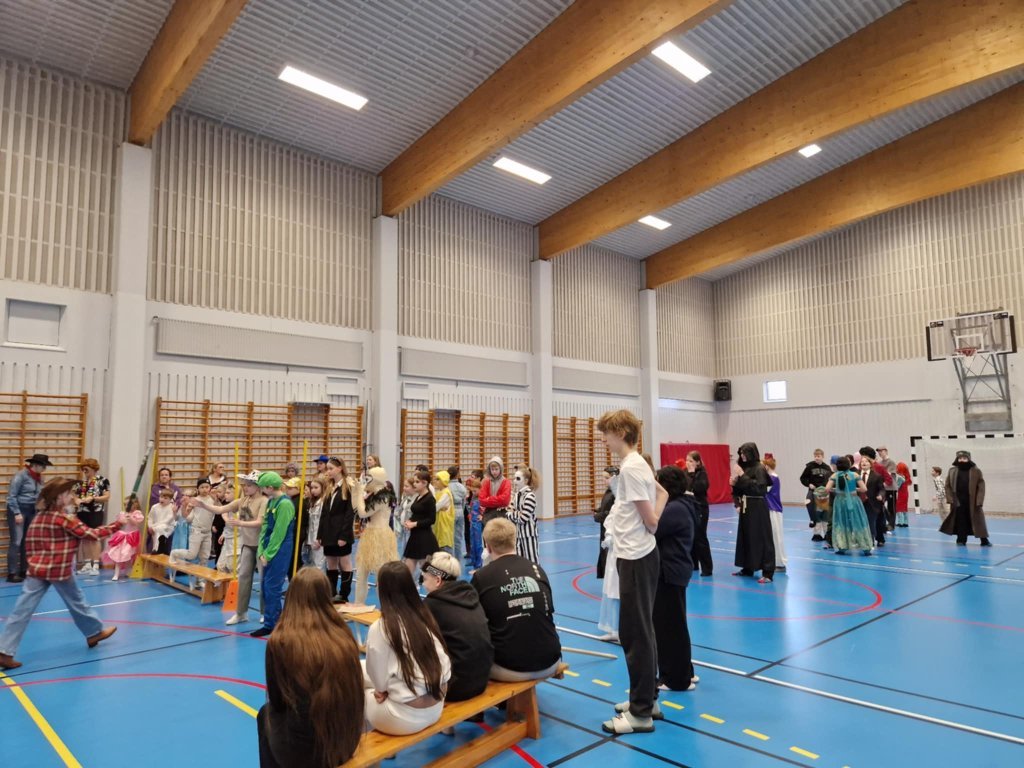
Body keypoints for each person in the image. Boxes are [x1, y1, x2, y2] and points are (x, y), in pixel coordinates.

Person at [0, 477, 123, 669]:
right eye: (68, 493)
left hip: (38, 570)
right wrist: (118, 524)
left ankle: (5, 650)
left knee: (22, 610)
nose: (71, 496)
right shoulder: (65, 519)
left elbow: (30, 544)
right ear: (59, 498)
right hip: (59, 570)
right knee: (78, 602)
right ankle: (94, 632)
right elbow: (92, 535)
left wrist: (34, 563)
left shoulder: (39, 517)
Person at [596, 410, 666, 735]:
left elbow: (651, 521)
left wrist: (650, 526)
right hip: (634, 556)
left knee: (636, 636)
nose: (603, 439)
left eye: (606, 433)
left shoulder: (633, 468)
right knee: (641, 631)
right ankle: (648, 699)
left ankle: (640, 714)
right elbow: (663, 493)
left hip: (637, 558)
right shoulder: (635, 465)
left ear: (621, 433)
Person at [258, 567, 363, 768]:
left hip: (309, 755)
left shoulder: (281, 641)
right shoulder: (344, 635)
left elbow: (277, 699)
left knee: (265, 714)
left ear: (292, 597)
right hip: (346, 741)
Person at [363, 561, 451, 735]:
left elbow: (379, 681)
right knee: (365, 671)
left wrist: (382, 691)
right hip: (436, 706)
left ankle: (363, 749)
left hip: (404, 717)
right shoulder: (425, 616)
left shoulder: (381, 628)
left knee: (356, 693)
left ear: (382, 590)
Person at [471, 518, 561, 681]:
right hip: (551, 659)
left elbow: (474, 624)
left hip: (509, 667)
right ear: (515, 540)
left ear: (488, 547)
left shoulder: (482, 577)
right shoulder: (537, 569)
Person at [192, 471, 267, 625]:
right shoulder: (242, 501)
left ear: (258, 487)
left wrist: (241, 523)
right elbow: (221, 510)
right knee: (243, 578)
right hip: (247, 545)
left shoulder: (264, 501)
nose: (245, 487)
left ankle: (265, 612)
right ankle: (241, 613)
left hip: (261, 546)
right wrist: (203, 505)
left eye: (249, 485)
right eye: (245, 485)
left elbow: (260, 522)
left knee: (263, 580)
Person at [422, 551, 492, 701]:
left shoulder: (431, 605)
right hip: (483, 678)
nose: (423, 584)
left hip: (456, 686)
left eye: (425, 579)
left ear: (438, 580)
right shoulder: (470, 595)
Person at [652, 466, 696, 692]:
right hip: (674, 571)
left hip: (670, 572)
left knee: (669, 627)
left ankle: (676, 679)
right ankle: (684, 672)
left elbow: (652, 528)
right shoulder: (681, 505)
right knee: (675, 625)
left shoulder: (675, 509)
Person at [252, 472, 297, 637]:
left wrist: (269, 554)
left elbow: (279, 532)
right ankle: (275, 621)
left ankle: (272, 624)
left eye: (262, 487)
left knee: (272, 587)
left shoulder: (285, 504)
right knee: (266, 587)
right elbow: (265, 526)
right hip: (268, 548)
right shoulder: (271, 501)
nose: (261, 490)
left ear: (270, 487)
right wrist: (261, 550)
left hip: (280, 549)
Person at [317, 457, 363, 603]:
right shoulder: (329, 487)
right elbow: (324, 513)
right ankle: (332, 592)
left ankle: (344, 594)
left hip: (342, 532)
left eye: (331, 468)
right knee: (330, 562)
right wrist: (320, 534)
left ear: (340, 469)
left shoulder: (348, 486)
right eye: (327, 468)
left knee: (345, 563)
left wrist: (343, 535)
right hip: (328, 532)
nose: (328, 471)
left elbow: (349, 514)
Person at [730, 442, 775, 583]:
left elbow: (759, 490)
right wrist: (734, 485)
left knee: (762, 538)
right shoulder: (745, 468)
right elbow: (742, 489)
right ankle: (747, 567)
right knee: (746, 536)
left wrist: (742, 475)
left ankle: (768, 572)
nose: (742, 456)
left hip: (758, 506)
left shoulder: (759, 468)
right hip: (746, 506)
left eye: (745, 453)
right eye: (741, 453)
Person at [353, 467, 398, 605]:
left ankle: (386, 608)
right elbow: (356, 508)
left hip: (380, 537)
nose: (365, 482)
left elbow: (363, 513)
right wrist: (356, 492)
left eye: (368, 479)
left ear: (376, 480)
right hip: (369, 535)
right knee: (361, 573)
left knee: (381, 575)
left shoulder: (384, 497)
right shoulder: (373, 495)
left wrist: (360, 492)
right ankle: (358, 604)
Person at [6, 453, 52, 583]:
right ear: (35, 465)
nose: (45, 469)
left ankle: (24, 570)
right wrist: (16, 513)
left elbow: (39, 495)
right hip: (19, 509)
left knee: (27, 542)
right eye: (43, 466)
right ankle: (12, 573)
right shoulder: (20, 476)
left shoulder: (40, 477)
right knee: (16, 541)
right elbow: (11, 496)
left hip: (32, 510)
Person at [825, 457, 874, 555]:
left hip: (840, 502)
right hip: (853, 500)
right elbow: (864, 489)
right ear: (849, 465)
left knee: (841, 522)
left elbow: (827, 489)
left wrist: (836, 490)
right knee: (858, 521)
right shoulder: (854, 475)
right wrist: (855, 489)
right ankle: (866, 547)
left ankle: (842, 546)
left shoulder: (835, 475)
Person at [941, 451, 990, 546]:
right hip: (958, 501)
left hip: (973, 502)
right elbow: (947, 486)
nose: (962, 460)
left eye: (964, 458)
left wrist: (979, 501)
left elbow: (981, 486)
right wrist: (950, 498)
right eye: (960, 458)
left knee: (978, 521)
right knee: (960, 520)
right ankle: (961, 540)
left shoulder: (976, 471)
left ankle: (984, 540)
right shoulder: (952, 471)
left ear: (968, 459)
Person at [170, 478, 216, 573]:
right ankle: (174, 553)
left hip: (208, 532)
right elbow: (187, 518)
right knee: (192, 554)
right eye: (202, 487)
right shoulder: (195, 500)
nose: (204, 489)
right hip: (196, 531)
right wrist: (185, 507)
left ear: (210, 488)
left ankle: (200, 579)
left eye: (207, 487)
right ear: (197, 489)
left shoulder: (212, 499)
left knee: (205, 557)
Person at [74, 458, 111, 576]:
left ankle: (95, 565)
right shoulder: (81, 483)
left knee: (95, 537)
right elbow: (75, 496)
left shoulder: (103, 480)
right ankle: (87, 564)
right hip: (82, 512)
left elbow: (107, 496)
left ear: (94, 469)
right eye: (83, 470)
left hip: (95, 512)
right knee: (85, 537)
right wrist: (77, 500)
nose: (84, 471)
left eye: (87, 469)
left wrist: (94, 498)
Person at [402, 470, 438, 577]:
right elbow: (418, 514)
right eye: (414, 481)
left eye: (417, 482)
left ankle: (441, 584)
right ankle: (409, 586)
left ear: (425, 483)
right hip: (415, 536)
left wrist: (415, 524)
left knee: (428, 570)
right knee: (408, 567)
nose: (414, 484)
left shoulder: (430, 499)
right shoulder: (418, 496)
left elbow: (431, 519)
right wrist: (410, 521)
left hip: (424, 538)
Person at [685, 451, 713, 577]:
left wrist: (692, 474)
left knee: (700, 537)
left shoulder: (702, 474)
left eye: (691, 461)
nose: (688, 463)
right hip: (689, 508)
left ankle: (707, 568)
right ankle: (693, 564)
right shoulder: (685, 473)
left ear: (697, 462)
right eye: (687, 460)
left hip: (700, 508)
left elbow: (699, 488)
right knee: (691, 536)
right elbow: (686, 488)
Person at [103, 498, 144, 580]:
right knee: (118, 554)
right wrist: (122, 518)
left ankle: (128, 571)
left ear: (134, 504)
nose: (126, 506)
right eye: (125, 504)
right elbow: (120, 523)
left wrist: (131, 517)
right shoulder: (123, 513)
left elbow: (136, 523)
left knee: (128, 555)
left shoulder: (137, 513)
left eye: (128, 504)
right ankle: (116, 574)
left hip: (132, 537)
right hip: (122, 536)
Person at [508, 466, 540, 563]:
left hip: (529, 535)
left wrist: (512, 514)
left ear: (526, 481)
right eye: (514, 478)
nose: (515, 481)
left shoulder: (530, 496)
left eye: (518, 479)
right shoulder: (517, 496)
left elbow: (523, 518)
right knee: (520, 563)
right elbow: (509, 512)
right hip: (518, 534)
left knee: (532, 562)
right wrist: (515, 514)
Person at [799, 449, 832, 541]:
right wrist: (809, 484)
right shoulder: (809, 467)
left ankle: (826, 533)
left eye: (818, 456)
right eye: (815, 456)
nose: (817, 458)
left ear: (822, 456)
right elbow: (803, 478)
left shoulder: (827, 468)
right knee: (815, 513)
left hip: (824, 493)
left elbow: (830, 479)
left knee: (825, 513)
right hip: (813, 492)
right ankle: (816, 534)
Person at [763, 456, 788, 572]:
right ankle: (774, 561)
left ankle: (780, 562)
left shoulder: (772, 478)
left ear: (766, 466)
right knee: (772, 536)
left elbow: (763, 490)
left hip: (773, 509)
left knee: (776, 536)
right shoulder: (772, 477)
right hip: (771, 508)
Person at [594, 466, 618, 579]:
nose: (604, 480)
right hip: (604, 529)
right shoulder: (608, 491)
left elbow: (612, 512)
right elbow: (606, 507)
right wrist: (598, 510)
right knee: (604, 553)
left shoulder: (615, 493)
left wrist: (599, 516)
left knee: (609, 554)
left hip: (611, 531)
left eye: (607, 478)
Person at [859, 456, 887, 547]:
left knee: (871, 522)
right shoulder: (856, 475)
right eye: (862, 461)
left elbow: (882, 489)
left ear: (870, 464)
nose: (864, 463)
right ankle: (862, 540)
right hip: (859, 502)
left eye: (866, 461)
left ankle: (870, 541)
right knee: (861, 522)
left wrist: (880, 495)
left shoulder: (876, 476)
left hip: (872, 503)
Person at [299, 478, 326, 571]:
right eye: (312, 488)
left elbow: (322, 523)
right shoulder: (312, 502)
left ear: (323, 488)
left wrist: (319, 539)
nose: (313, 490)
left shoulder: (323, 502)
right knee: (312, 564)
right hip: (311, 538)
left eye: (316, 487)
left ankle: (320, 581)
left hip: (319, 539)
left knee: (319, 565)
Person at [478, 457, 511, 524]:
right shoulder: (486, 481)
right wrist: (498, 500)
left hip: (502, 513)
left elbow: (505, 501)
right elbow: (481, 500)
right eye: (492, 469)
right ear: (489, 470)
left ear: (501, 469)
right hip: (488, 514)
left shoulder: (506, 482)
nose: (494, 472)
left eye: (496, 469)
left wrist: (489, 499)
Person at [447, 466, 467, 566]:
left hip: (449, 511)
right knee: (458, 538)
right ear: (457, 475)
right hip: (459, 510)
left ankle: (450, 561)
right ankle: (457, 561)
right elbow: (464, 501)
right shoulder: (462, 487)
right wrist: (461, 511)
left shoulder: (446, 487)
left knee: (449, 537)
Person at [148, 487, 178, 555]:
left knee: (160, 529)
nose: (162, 499)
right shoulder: (154, 507)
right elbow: (150, 518)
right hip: (156, 526)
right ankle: (156, 549)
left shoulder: (171, 507)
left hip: (168, 527)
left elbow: (167, 521)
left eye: (165, 498)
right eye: (161, 497)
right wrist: (150, 526)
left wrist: (154, 527)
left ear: (170, 499)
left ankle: (159, 549)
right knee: (157, 531)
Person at [432, 470, 455, 555]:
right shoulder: (439, 492)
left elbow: (435, 507)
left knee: (445, 547)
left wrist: (436, 508)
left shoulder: (446, 493)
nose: (435, 481)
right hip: (438, 524)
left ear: (443, 481)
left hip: (444, 525)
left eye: (438, 479)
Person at [877, 446, 898, 533]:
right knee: (880, 505)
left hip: (890, 488)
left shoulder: (891, 462)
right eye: (878, 452)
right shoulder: (879, 463)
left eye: (881, 451)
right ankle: (888, 521)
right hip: (882, 488)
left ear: (886, 451)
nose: (880, 453)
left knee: (891, 507)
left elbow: (888, 474)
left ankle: (891, 525)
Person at [465, 476, 484, 570]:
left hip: (478, 523)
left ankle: (478, 564)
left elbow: (485, 509)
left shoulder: (482, 498)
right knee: (472, 542)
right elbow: (471, 508)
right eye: (472, 491)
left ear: (480, 489)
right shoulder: (473, 497)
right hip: (472, 522)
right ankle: (473, 560)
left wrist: (482, 516)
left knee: (478, 543)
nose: (473, 493)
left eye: (475, 491)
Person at [394, 477, 415, 559]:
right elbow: (400, 510)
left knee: (411, 553)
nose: (404, 488)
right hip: (404, 528)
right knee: (405, 551)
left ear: (414, 487)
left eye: (407, 486)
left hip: (411, 530)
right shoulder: (406, 497)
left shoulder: (416, 500)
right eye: (404, 486)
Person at [895, 461, 912, 527]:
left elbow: (897, 486)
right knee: (904, 508)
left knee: (899, 508)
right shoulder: (906, 476)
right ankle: (906, 522)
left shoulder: (900, 477)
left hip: (901, 494)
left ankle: (900, 522)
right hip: (905, 493)